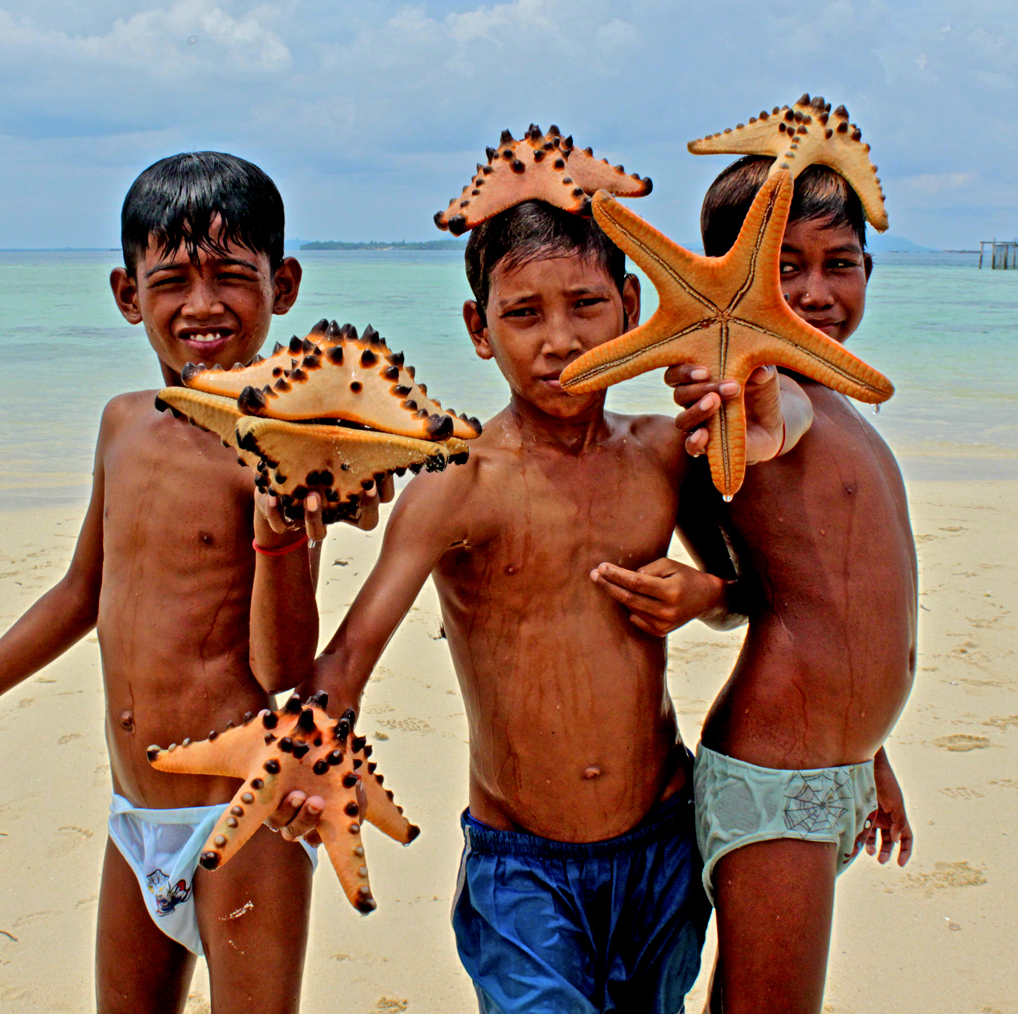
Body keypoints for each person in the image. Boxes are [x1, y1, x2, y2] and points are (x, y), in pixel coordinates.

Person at [250, 187, 813, 1013]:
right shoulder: (460, 485)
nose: (560, 340)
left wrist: (703, 594)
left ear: (630, 306)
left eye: (586, 305)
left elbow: (748, 601)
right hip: (522, 871)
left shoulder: (664, 455)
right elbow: (346, 658)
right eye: (523, 314)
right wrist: (308, 750)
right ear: (480, 331)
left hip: (663, 838)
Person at [0, 152, 379, 1014]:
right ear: (127, 294)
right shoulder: (122, 422)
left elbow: (281, 666)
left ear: (281, 285)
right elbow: (79, 595)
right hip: (133, 818)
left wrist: (277, 533)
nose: (201, 305)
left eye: (231, 276)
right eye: (170, 279)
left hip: (243, 817)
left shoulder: (287, 441)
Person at [593, 157, 916, 1014]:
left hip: (832, 762)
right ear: (715, 283)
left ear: (868, 271)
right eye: (784, 266)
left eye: (838, 262)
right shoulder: (754, 405)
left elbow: (793, 595)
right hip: (779, 769)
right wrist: (753, 423)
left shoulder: (837, 399)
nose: (814, 292)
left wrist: (874, 759)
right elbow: (766, 424)